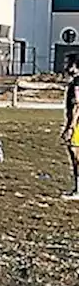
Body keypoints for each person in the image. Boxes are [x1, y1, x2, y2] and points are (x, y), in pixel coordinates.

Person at [62, 54, 79, 200]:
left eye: (68, 63)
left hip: (77, 124)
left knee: (75, 154)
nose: (66, 66)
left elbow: (77, 105)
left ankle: (78, 190)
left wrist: (71, 126)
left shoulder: (77, 83)